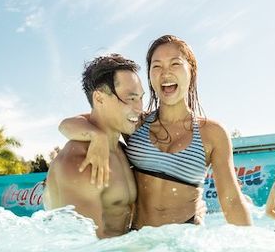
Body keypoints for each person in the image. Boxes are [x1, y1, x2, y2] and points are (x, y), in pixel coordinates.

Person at [59, 35, 252, 228]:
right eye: (156, 66)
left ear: (191, 70)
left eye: (175, 64)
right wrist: (96, 135)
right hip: (139, 240)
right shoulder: (136, 123)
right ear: (150, 75)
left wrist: (249, 249)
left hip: (184, 239)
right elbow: (68, 125)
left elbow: (232, 201)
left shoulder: (212, 133)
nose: (165, 73)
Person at [44, 54, 144, 238]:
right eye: (130, 99)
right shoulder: (80, 161)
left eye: (140, 98)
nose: (139, 108)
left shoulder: (122, 150)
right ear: (99, 99)